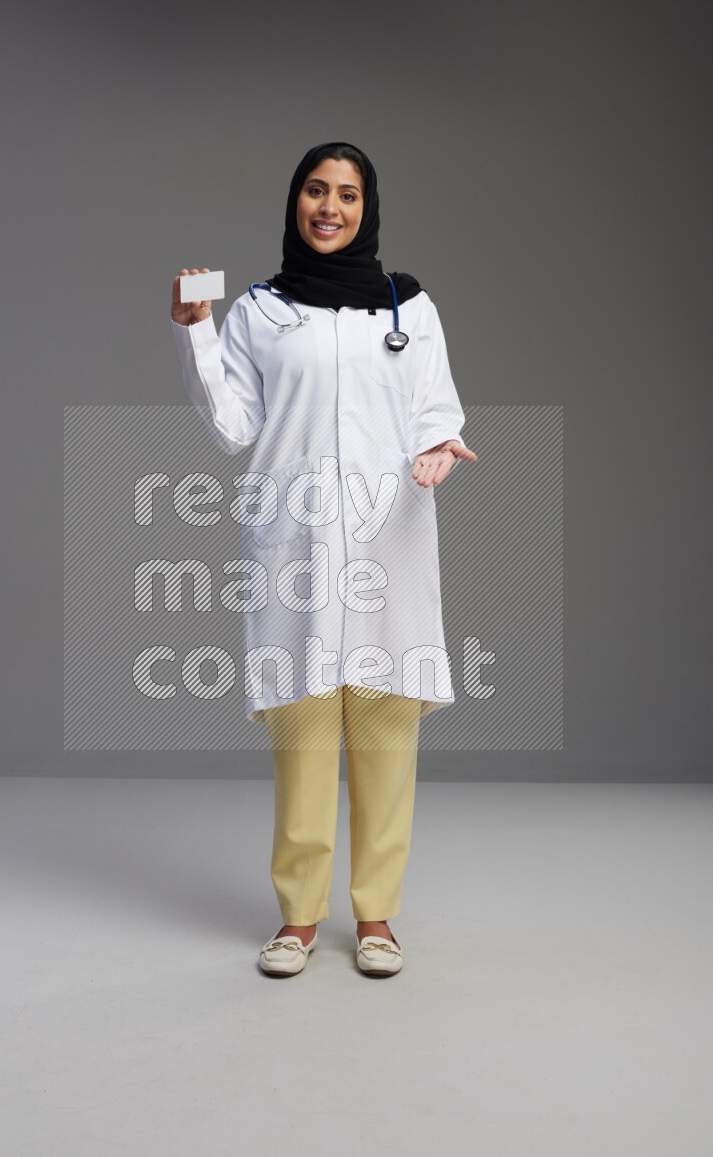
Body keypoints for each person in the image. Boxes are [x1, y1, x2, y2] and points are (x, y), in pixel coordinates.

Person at [170, 141, 477, 978]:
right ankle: (297, 920)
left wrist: (440, 450)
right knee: (303, 732)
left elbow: (435, 410)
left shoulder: (407, 309)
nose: (330, 206)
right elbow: (234, 427)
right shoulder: (262, 312)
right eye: (316, 190)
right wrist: (198, 336)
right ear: (295, 201)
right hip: (295, 540)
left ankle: (376, 918)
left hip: (390, 538)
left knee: (383, 732)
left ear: (367, 206)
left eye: (346, 192)